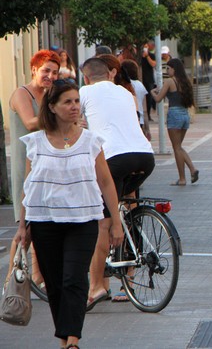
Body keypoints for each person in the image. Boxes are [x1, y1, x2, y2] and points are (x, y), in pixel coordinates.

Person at [13, 79, 124, 349]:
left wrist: (115, 223)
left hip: (83, 221)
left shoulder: (91, 141)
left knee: (74, 279)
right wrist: (22, 226)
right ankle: (64, 337)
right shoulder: (35, 142)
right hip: (43, 222)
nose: (75, 107)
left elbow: (106, 182)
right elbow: (30, 185)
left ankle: (72, 340)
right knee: (54, 283)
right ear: (52, 107)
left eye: (77, 101)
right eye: (67, 102)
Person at [80, 57, 155, 304]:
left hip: (113, 159)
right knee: (121, 209)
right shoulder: (125, 92)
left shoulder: (85, 92)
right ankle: (124, 263)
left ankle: (95, 287)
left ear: (86, 77)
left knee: (103, 223)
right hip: (145, 157)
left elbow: (72, 123)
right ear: (110, 74)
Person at [7, 50, 60, 290]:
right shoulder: (22, 93)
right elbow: (30, 123)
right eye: (46, 70)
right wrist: (60, 115)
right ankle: (10, 284)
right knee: (24, 229)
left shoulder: (50, 96)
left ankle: (38, 278)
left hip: (46, 166)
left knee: (42, 226)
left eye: (55, 72)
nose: (50, 76)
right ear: (34, 70)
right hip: (25, 167)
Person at [151, 58, 199, 186]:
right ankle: (192, 170)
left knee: (176, 148)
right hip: (184, 114)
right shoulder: (185, 82)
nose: (167, 70)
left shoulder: (169, 81)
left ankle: (182, 178)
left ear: (174, 69)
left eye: (168, 68)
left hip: (174, 114)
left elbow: (158, 99)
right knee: (179, 146)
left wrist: (152, 92)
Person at [121, 59, 150, 140]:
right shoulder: (140, 85)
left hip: (127, 120)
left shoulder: (123, 85)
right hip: (139, 119)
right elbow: (144, 110)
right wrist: (147, 128)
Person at [140, 40, 157, 122]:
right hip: (141, 78)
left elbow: (153, 64)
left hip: (149, 79)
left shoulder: (152, 55)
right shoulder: (139, 56)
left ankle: (149, 114)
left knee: (149, 97)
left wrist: (147, 56)